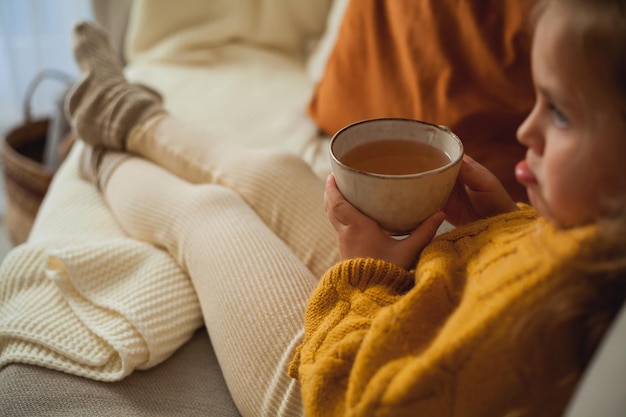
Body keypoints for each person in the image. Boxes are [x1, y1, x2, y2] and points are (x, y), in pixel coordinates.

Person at [65, 0, 625, 414]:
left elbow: (358, 401)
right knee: (282, 170)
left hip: (325, 383)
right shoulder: (590, 237)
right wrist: (501, 227)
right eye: (537, 100)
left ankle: (98, 157)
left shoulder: (542, 313)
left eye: (560, 115)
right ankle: (127, 115)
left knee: (210, 215)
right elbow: (528, 259)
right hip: (409, 310)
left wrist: (359, 275)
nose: (527, 128)